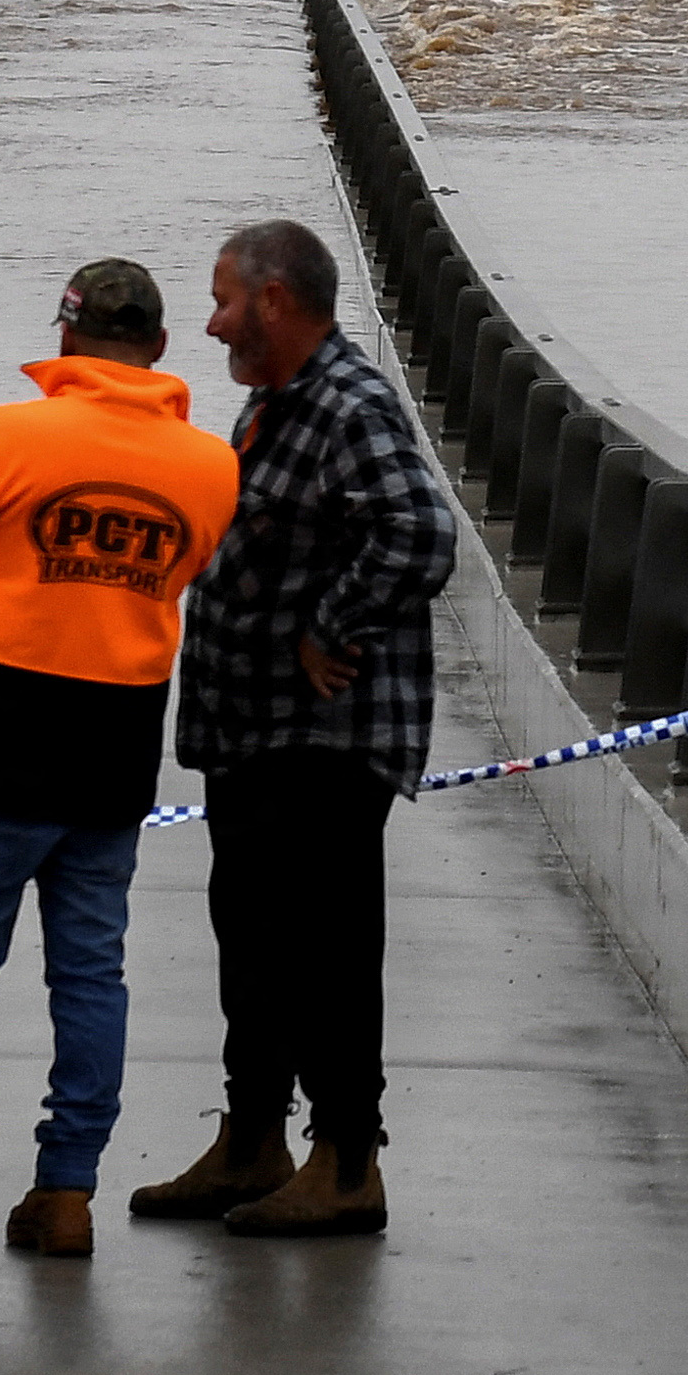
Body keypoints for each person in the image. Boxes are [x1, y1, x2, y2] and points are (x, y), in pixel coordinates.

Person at [0, 257, 238, 1261]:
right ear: (161, 348)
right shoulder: (211, 465)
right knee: (91, 974)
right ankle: (67, 1193)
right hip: (113, 739)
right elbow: (189, 567)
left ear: (65, 331)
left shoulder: (8, 433)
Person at [127, 217, 462, 1240]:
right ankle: (253, 1140)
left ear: (274, 301)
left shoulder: (347, 405)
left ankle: (347, 1160)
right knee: (254, 934)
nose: (211, 318)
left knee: (326, 944)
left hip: (324, 735)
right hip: (257, 733)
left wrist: (330, 624)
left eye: (224, 297)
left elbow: (420, 529)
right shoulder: (277, 404)